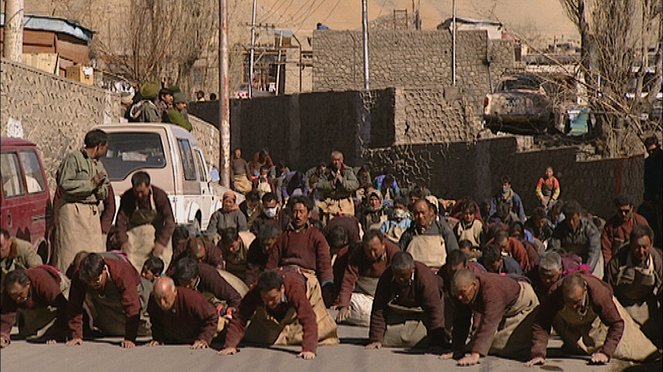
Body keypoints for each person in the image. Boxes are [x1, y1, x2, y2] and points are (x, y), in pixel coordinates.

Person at [527, 273, 658, 366]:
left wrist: (606, 353)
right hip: (572, 324)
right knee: (579, 347)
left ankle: (654, 355)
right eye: (569, 302)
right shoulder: (553, 295)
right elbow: (541, 323)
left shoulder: (599, 295)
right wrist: (538, 353)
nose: (573, 306)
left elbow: (617, 324)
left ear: (584, 290)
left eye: (576, 302)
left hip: (600, 318)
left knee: (636, 350)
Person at [219, 269, 339, 360]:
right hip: (279, 310)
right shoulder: (255, 292)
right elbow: (240, 316)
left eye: (272, 298)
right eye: (265, 298)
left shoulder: (294, 289)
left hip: (307, 289)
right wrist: (230, 345)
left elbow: (308, 317)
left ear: (282, 289)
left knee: (322, 331)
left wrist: (308, 349)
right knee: (259, 336)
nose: (269, 303)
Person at [441, 269, 539, 366]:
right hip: (502, 307)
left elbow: (489, 321)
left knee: (505, 347)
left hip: (523, 303)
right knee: (478, 345)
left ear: (474, 285)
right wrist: (457, 349)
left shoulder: (491, 291)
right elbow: (460, 320)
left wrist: (475, 355)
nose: (460, 297)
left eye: (463, 292)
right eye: (457, 294)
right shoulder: (461, 293)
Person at [54, 129, 110, 272]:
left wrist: (99, 187)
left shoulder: (99, 164)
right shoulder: (74, 159)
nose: (106, 150)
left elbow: (105, 190)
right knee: (69, 255)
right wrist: (91, 184)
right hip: (73, 214)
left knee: (94, 256)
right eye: (105, 146)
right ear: (99, 146)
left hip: (91, 215)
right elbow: (65, 184)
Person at [66, 252, 149, 348]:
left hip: (139, 297)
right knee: (113, 329)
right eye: (89, 283)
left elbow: (132, 306)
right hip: (108, 301)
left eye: (96, 281)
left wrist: (130, 338)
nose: (92, 285)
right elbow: (74, 305)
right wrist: (76, 335)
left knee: (145, 328)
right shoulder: (80, 276)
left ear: (104, 269)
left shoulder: (121, 271)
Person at [366, 252, 447, 349]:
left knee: (423, 340)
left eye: (404, 275)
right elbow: (379, 308)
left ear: (412, 269)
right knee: (387, 339)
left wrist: (436, 342)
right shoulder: (387, 276)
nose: (400, 279)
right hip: (400, 310)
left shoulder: (425, 278)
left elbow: (435, 310)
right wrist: (376, 339)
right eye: (397, 275)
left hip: (422, 311)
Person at [265, 196, 334, 305]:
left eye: (302, 212)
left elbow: (324, 263)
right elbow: (272, 262)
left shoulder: (316, 236)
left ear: (309, 214)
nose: (298, 216)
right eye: (295, 212)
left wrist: (327, 285)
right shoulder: (284, 237)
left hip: (307, 276)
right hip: (284, 273)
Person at [605, 225, 662, 346]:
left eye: (644, 247)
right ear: (630, 245)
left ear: (651, 244)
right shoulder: (618, 260)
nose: (641, 252)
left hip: (645, 306)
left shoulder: (656, 260)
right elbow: (607, 291)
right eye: (637, 247)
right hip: (622, 307)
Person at [335, 230, 400, 326]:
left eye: (375, 250)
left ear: (383, 245)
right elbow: (348, 280)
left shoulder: (393, 252)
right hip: (362, 294)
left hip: (385, 294)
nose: (372, 254)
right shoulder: (357, 253)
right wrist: (344, 305)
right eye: (368, 251)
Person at [115, 171, 176, 272]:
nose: (139, 195)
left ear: (148, 186)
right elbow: (120, 221)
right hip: (137, 235)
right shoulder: (128, 197)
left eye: (142, 192)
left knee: (160, 259)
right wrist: (123, 240)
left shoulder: (160, 196)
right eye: (136, 192)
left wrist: (161, 242)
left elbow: (170, 221)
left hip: (157, 234)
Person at [1, 266, 69, 347]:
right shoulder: (10, 292)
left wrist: (57, 334)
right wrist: (3, 336)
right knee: (28, 332)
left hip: (61, 292)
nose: (17, 299)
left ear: (27, 285)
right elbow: (7, 315)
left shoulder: (42, 281)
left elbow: (63, 306)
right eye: (13, 296)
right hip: (39, 304)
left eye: (20, 295)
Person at [146, 277, 221, 348]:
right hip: (173, 340)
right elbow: (155, 320)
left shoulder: (192, 299)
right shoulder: (153, 300)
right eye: (158, 298)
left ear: (174, 292)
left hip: (196, 336)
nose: (162, 303)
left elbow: (212, 316)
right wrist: (157, 338)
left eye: (165, 298)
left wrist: (204, 338)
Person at [399, 199, 459, 273]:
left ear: (430, 212)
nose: (420, 216)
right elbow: (400, 255)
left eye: (423, 212)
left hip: (439, 273)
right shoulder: (409, 233)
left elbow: (454, 254)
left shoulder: (442, 230)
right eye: (417, 213)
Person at [549, 200, 603, 278]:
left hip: (589, 260)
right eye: (568, 219)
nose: (571, 222)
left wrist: (587, 269)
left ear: (579, 215)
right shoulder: (560, 229)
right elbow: (555, 250)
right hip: (569, 260)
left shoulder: (590, 228)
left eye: (573, 219)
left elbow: (594, 250)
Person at [172, 258, 243, 312]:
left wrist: (230, 312)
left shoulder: (209, 275)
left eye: (189, 283)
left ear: (196, 277)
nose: (186, 287)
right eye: (182, 283)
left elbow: (235, 298)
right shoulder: (172, 280)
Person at [601, 194, 649, 264]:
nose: (623, 214)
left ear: (632, 208)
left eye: (626, 211)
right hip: (617, 262)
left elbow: (648, 244)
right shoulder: (610, 226)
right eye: (620, 211)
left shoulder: (640, 222)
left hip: (638, 261)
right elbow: (606, 250)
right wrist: (609, 267)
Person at [315, 151, 360, 222]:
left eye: (338, 160)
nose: (336, 162)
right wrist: (332, 183)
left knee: (347, 222)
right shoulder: (326, 172)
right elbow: (319, 185)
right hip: (330, 202)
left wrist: (342, 181)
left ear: (342, 160)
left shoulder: (348, 171)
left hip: (345, 202)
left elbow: (355, 184)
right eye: (334, 160)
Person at [642, 135, 662, 248]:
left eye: (653, 150)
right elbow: (647, 180)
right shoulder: (648, 162)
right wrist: (647, 197)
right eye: (649, 151)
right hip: (652, 199)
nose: (651, 153)